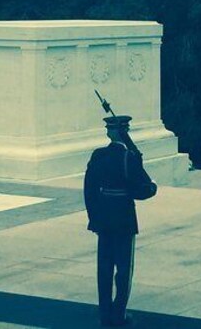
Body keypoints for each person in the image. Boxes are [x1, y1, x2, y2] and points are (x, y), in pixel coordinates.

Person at [84, 115, 157, 327]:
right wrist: (152, 187)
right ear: (125, 131)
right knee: (124, 270)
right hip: (124, 218)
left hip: (104, 218)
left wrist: (94, 217)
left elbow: (89, 190)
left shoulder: (98, 155)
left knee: (104, 268)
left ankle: (104, 313)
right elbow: (142, 189)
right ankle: (119, 314)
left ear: (109, 132)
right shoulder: (128, 157)